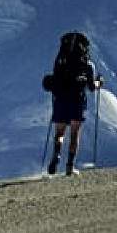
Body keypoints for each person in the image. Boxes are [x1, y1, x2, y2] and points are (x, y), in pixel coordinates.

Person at [46, 30, 101, 176]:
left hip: (60, 100)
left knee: (59, 132)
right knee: (75, 134)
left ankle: (56, 154)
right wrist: (99, 82)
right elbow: (91, 87)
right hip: (77, 100)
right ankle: (70, 166)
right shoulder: (88, 65)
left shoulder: (60, 61)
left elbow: (54, 79)